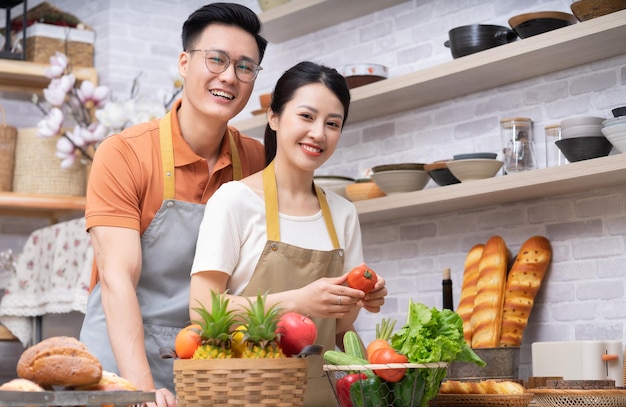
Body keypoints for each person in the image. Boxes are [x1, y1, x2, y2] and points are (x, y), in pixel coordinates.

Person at [79, 3, 267, 406]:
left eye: (245, 67)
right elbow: (117, 281)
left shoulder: (256, 160)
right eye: (216, 59)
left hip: (205, 360)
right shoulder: (124, 153)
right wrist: (142, 389)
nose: (229, 77)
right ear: (184, 62)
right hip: (119, 361)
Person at [190, 61, 388, 406]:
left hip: (321, 397)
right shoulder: (234, 201)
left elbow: (342, 329)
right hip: (243, 394)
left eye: (332, 124)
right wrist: (298, 302)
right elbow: (201, 308)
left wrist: (363, 297)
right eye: (307, 117)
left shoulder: (343, 214)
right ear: (275, 118)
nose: (318, 134)